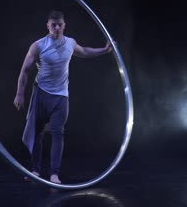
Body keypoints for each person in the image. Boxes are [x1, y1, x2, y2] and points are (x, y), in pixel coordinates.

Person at [13, 10, 113, 184]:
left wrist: (105, 50)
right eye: (53, 25)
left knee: (57, 133)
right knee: (37, 133)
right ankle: (35, 170)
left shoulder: (70, 43)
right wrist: (20, 94)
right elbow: (25, 70)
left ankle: (54, 173)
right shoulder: (38, 45)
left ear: (64, 26)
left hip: (61, 97)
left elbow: (85, 52)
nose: (57, 28)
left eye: (60, 25)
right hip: (41, 94)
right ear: (48, 26)